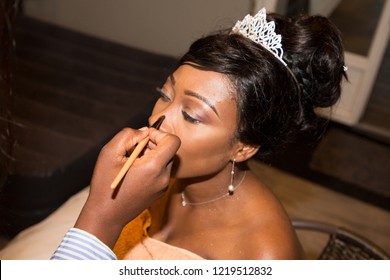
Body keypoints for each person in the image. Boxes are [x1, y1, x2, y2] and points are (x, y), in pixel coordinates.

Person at [51, 8, 346, 260]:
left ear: (243, 147)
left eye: (192, 115)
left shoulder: (264, 254)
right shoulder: (146, 178)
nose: (158, 119)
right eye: (165, 94)